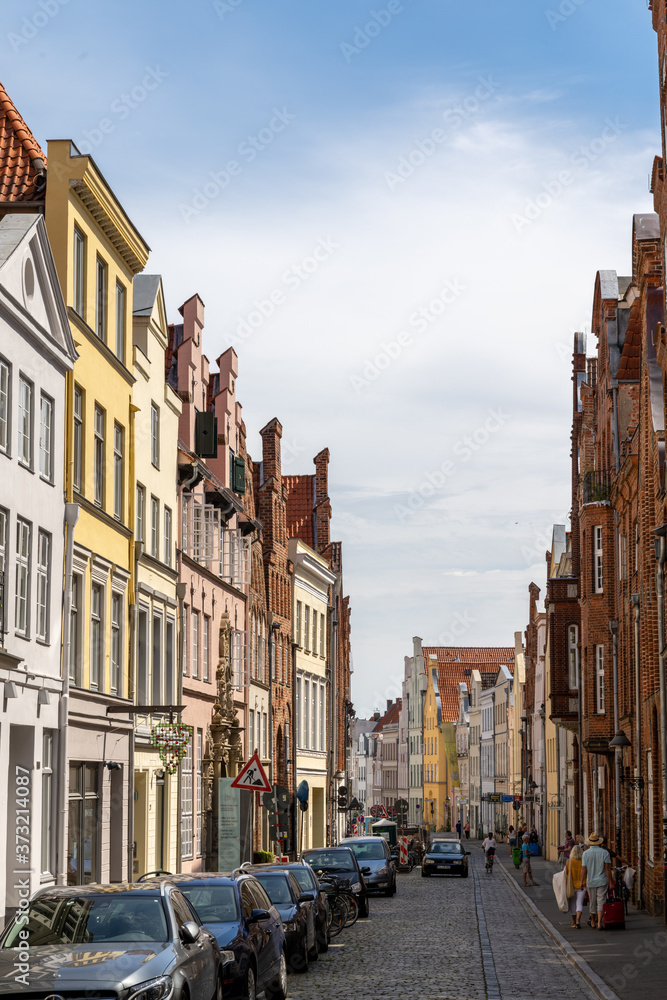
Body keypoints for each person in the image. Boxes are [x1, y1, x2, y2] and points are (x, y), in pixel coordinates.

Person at [581, 832, 613, 931]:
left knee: (592, 902)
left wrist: (581, 882)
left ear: (590, 843)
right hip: (602, 880)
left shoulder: (585, 853)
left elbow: (583, 869)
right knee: (601, 901)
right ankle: (599, 923)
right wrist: (611, 882)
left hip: (590, 881)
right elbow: (607, 869)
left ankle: (592, 922)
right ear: (599, 843)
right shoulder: (605, 853)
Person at [566, 840, 586, 929]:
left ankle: (573, 922)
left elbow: (566, 874)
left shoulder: (569, 862)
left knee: (572, 904)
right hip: (582, 885)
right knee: (579, 903)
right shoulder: (583, 861)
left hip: (572, 886)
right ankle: (578, 920)